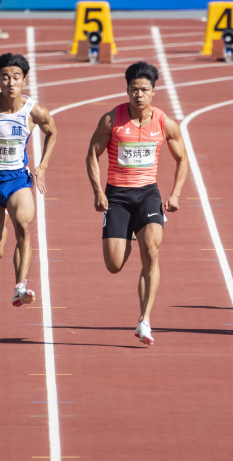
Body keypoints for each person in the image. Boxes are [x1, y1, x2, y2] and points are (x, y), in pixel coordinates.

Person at [85, 61, 189, 346]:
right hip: (117, 197)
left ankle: (144, 320)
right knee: (114, 264)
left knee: (151, 252)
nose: (139, 95)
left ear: (154, 91)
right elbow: (92, 155)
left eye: (144, 89)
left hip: (147, 195)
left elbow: (182, 158)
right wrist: (98, 192)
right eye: (134, 89)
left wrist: (176, 193)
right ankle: (126, 232)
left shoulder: (165, 123)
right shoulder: (111, 120)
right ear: (127, 90)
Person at [0, 53, 56, 307]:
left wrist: (43, 165)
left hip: (18, 178)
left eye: (16, 77)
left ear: (24, 81)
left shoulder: (34, 111)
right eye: (5, 77)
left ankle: (20, 286)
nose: (11, 82)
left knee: (24, 227)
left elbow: (53, 131)